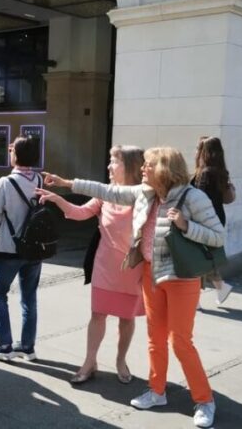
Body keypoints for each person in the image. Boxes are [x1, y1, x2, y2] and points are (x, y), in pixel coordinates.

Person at [41, 147, 224, 428]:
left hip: (181, 278)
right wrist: (67, 184)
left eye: (148, 165)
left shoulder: (193, 197)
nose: (142, 169)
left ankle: (204, 400)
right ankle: (157, 391)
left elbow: (218, 237)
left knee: (180, 341)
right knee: (155, 338)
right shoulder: (145, 193)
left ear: (163, 169)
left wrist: (186, 225)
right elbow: (106, 191)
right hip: (151, 272)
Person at [36, 145, 145, 385]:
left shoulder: (143, 197)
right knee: (98, 315)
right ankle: (89, 361)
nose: (108, 166)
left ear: (130, 167)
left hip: (132, 268)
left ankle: (120, 360)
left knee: (127, 318)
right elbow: (79, 212)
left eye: (114, 161)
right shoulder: (105, 193)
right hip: (105, 265)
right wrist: (57, 199)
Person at [0, 136, 43, 361]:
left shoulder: (5, 183)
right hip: (34, 249)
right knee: (29, 297)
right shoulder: (38, 179)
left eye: (12, 151)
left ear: (16, 155)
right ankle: (27, 347)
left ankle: (5, 346)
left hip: (8, 248)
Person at [192, 136, 233, 305]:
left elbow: (197, 199)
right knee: (203, 257)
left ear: (205, 152)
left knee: (197, 258)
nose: (195, 152)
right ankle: (218, 287)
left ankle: (215, 288)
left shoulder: (205, 174)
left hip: (204, 220)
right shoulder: (221, 172)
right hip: (216, 217)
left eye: (198, 148)